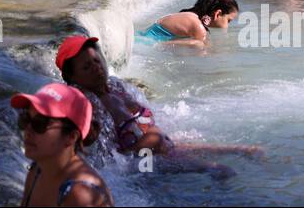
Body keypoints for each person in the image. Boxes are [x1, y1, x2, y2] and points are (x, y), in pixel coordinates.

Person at [57, 36, 262, 167]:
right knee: (220, 171)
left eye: (96, 60)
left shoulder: (116, 85)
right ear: (72, 77)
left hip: (162, 148)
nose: (96, 67)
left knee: (243, 151)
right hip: (145, 163)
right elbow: (107, 156)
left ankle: (240, 151)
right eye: (86, 67)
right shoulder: (87, 104)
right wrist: (148, 145)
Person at [12, 83, 112, 207]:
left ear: (71, 137)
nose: (28, 130)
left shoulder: (81, 194)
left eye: (40, 123)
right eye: (25, 119)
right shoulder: (37, 169)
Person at [138, 0, 239, 44]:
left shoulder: (189, 15)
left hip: (140, 39)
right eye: (228, 20)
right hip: (146, 44)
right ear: (218, 14)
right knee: (199, 44)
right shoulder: (197, 26)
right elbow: (202, 51)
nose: (228, 25)